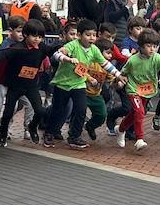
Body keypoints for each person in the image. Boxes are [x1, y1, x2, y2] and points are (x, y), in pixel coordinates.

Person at [43, 20, 119, 149]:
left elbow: (105, 64)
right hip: (63, 84)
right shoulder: (73, 45)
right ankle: (49, 133)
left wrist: (119, 75)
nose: (91, 38)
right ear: (79, 35)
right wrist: (67, 58)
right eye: (88, 35)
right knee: (58, 110)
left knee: (81, 109)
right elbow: (57, 54)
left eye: (94, 35)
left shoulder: (94, 49)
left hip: (79, 84)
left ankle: (74, 137)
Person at [112, 29, 160, 151]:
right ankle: (140, 139)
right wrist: (119, 81)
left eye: (155, 46)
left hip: (147, 90)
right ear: (141, 46)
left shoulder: (156, 58)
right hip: (133, 89)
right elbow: (122, 73)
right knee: (139, 111)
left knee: (137, 112)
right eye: (148, 46)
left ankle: (120, 129)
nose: (152, 49)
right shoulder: (133, 60)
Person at [0, 19, 52, 146]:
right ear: (26, 35)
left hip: (31, 86)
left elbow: (53, 50)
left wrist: (64, 50)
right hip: (15, 86)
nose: (37, 39)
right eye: (34, 36)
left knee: (40, 111)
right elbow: (3, 54)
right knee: (8, 113)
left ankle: (32, 127)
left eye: (40, 37)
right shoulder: (18, 48)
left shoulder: (41, 47)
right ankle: (3, 133)